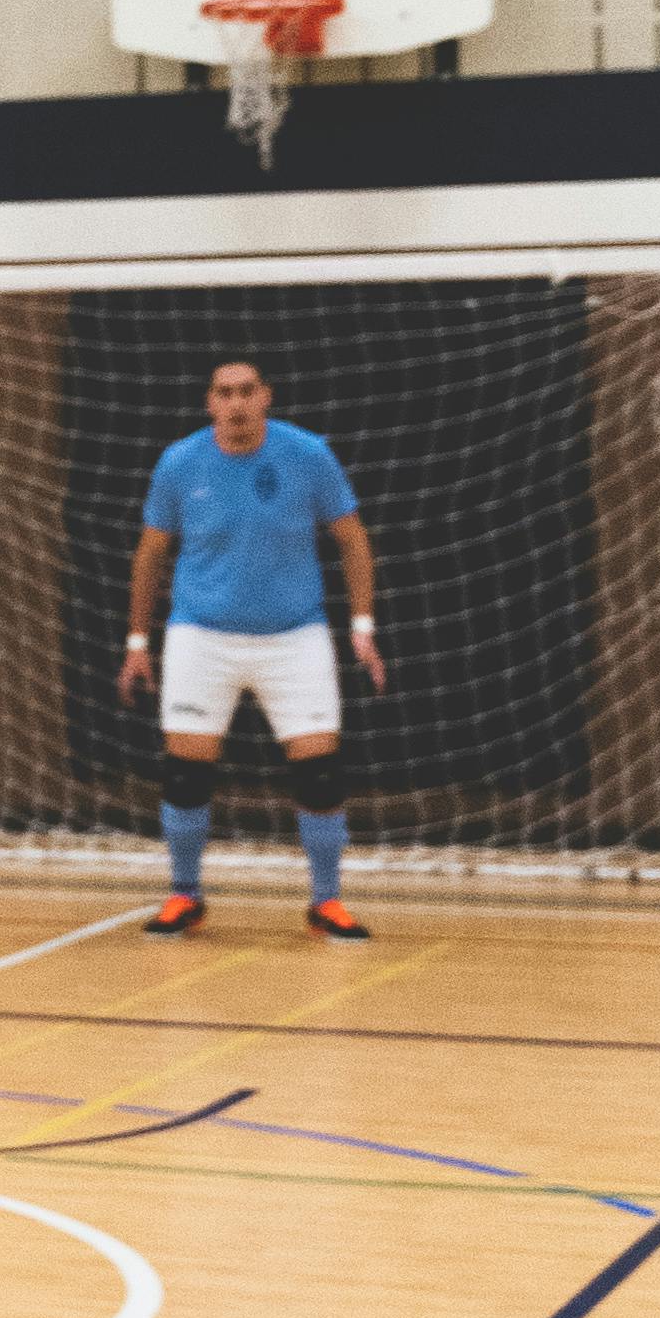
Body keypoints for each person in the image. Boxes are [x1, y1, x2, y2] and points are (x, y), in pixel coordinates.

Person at [121, 349, 384, 938]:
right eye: (224, 393)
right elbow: (150, 554)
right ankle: (184, 893)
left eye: (246, 391)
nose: (236, 404)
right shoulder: (180, 463)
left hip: (295, 637)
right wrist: (137, 641)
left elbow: (354, 540)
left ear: (266, 396)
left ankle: (326, 900)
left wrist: (362, 627)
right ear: (209, 403)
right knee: (186, 774)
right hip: (201, 636)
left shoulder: (308, 456)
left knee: (319, 773)